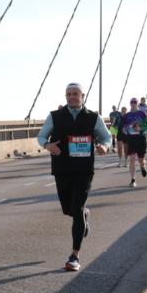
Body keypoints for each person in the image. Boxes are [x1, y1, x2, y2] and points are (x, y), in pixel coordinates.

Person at [37, 83, 112, 272]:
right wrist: (47, 145)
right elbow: (41, 136)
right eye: (68, 94)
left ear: (82, 95)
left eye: (75, 94)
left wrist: (105, 146)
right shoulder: (55, 116)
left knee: (76, 209)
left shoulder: (93, 118)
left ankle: (74, 255)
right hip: (62, 168)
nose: (71, 97)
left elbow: (107, 137)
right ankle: (84, 215)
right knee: (68, 210)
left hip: (84, 169)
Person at [121, 98, 147, 188]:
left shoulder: (142, 113)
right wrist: (124, 130)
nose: (133, 104)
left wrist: (140, 129)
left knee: (140, 159)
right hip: (131, 139)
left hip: (141, 138)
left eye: (135, 102)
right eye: (131, 102)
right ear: (130, 104)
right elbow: (123, 128)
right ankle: (133, 180)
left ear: (137, 104)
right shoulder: (126, 116)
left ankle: (142, 166)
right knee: (132, 159)